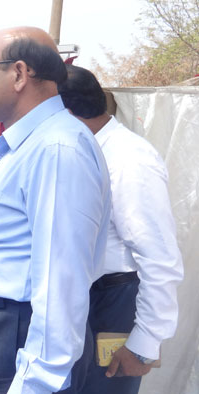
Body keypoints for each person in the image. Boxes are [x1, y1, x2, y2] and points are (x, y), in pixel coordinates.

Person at [0, 27, 112, 393]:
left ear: (20, 74)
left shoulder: (57, 150)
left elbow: (61, 284)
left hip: (15, 333)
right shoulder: (33, 142)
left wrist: (36, 383)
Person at [58, 64, 184, 394]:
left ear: (66, 113)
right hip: (80, 302)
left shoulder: (130, 159)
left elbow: (159, 258)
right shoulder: (80, 149)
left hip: (112, 305)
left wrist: (144, 344)